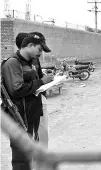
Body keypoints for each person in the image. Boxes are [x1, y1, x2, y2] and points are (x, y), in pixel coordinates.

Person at [1, 33, 53, 170]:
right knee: (21, 158)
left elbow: (32, 83)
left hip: (31, 115)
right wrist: (41, 82)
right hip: (19, 118)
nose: (40, 54)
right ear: (30, 46)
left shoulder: (30, 62)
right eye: (39, 50)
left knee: (31, 152)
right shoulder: (12, 63)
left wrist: (44, 82)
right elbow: (17, 90)